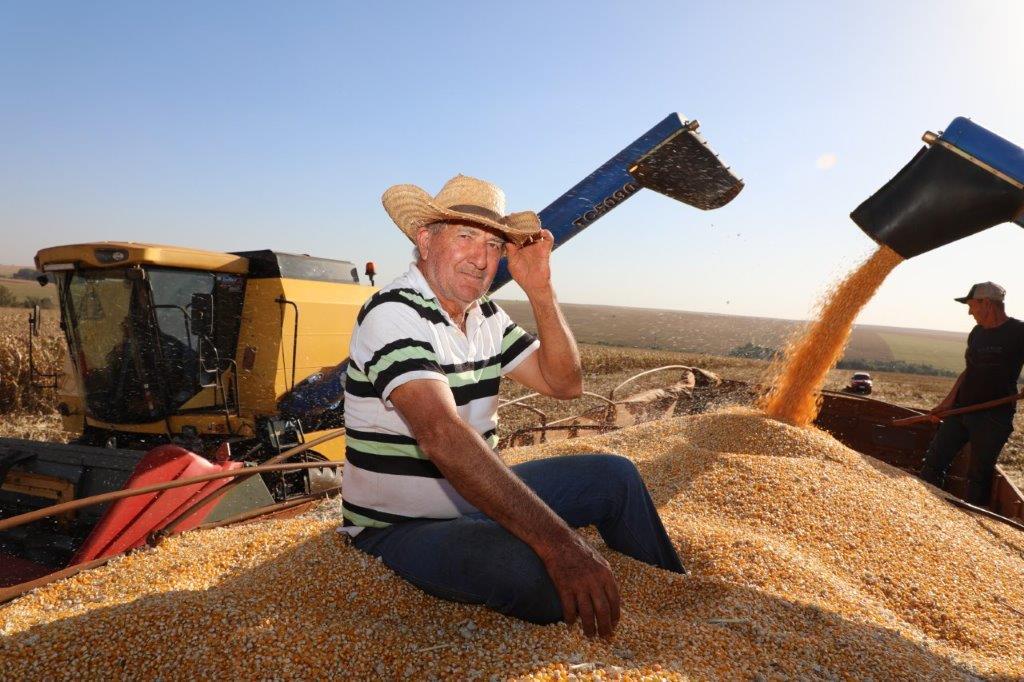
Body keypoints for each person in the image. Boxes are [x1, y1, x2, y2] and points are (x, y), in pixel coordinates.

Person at [339, 174, 684, 638]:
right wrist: (560, 544)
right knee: (537, 573)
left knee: (616, 477)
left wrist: (539, 289)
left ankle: (679, 597)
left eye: (494, 245)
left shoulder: (485, 316)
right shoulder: (393, 313)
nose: (482, 258)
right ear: (425, 240)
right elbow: (442, 433)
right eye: (465, 237)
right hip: (401, 526)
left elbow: (565, 384)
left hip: (479, 500)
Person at [918, 282, 1024, 505]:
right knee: (934, 461)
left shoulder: (1018, 332)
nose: (969, 311)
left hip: (994, 415)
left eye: (972, 305)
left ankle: (972, 517)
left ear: (986, 303)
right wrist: (948, 403)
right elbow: (969, 371)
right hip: (961, 409)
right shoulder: (977, 333)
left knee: (979, 474)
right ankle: (926, 506)